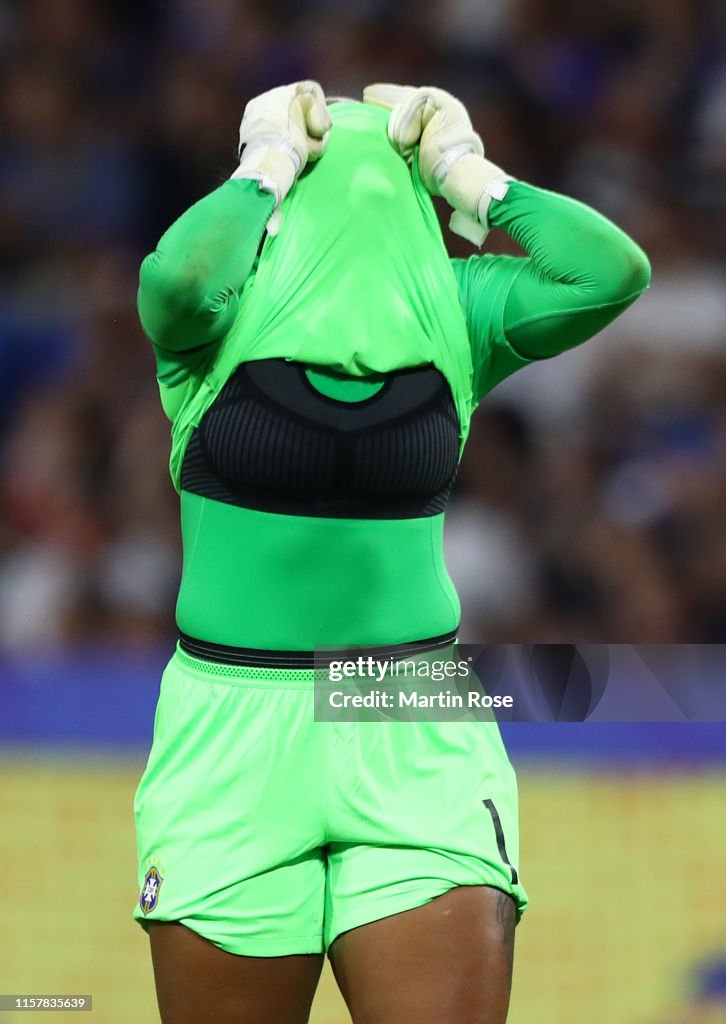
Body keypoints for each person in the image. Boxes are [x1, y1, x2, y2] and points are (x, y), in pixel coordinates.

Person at [132, 80, 651, 1024]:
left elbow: (612, 273)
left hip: (410, 712)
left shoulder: (456, 303)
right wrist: (261, 172)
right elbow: (169, 281)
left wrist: (476, 178)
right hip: (231, 726)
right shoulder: (222, 306)